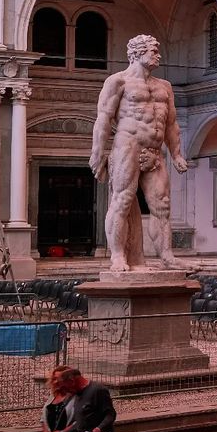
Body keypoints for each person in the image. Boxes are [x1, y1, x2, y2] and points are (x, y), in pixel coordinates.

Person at [90, 34, 190, 273]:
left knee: (162, 205)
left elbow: (171, 124)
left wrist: (176, 153)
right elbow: (103, 118)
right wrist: (97, 151)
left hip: (156, 151)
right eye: (153, 51)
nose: (158, 55)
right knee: (122, 200)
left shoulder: (164, 86)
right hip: (128, 145)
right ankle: (117, 256)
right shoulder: (118, 82)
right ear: (137, 52)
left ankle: (167, 257)